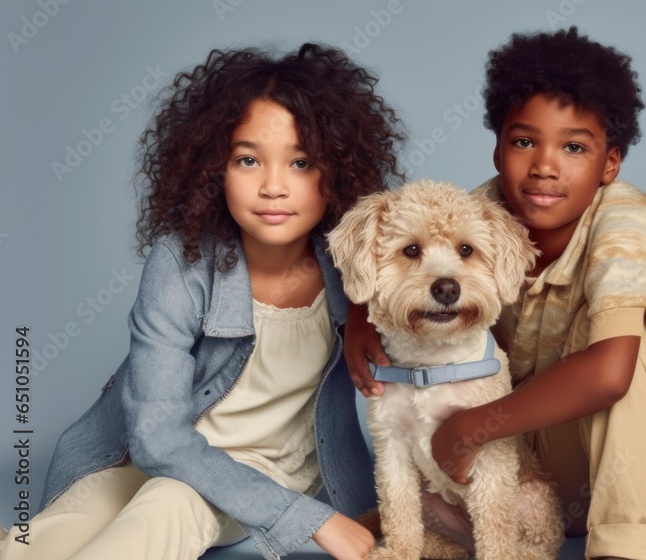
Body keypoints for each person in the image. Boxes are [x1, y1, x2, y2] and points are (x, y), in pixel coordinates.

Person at [0, 43, 404, 560]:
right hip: (153, 455)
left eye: (301, 162)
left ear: (340, 173)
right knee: (48, 537)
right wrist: (311, 522)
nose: (274, 187)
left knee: (171, 504)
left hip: (265, 478)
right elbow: (158, 438)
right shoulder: (180, 264)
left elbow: (443, 275)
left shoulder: (357, 264)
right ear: (214, 169)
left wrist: (365, 314)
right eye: (248, 160)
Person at [347, 27, 646, 560]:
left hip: (588, 458)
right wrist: (363, 314)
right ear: (497, 150)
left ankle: (626, 548)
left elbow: (612, 373)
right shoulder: (475, 213)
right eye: (524, 141)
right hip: (490, 451)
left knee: (629, 357)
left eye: (572, 147)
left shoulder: (625, 219)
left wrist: (473, 428)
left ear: (609, 164)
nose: (544, 165)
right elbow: (409, 263)